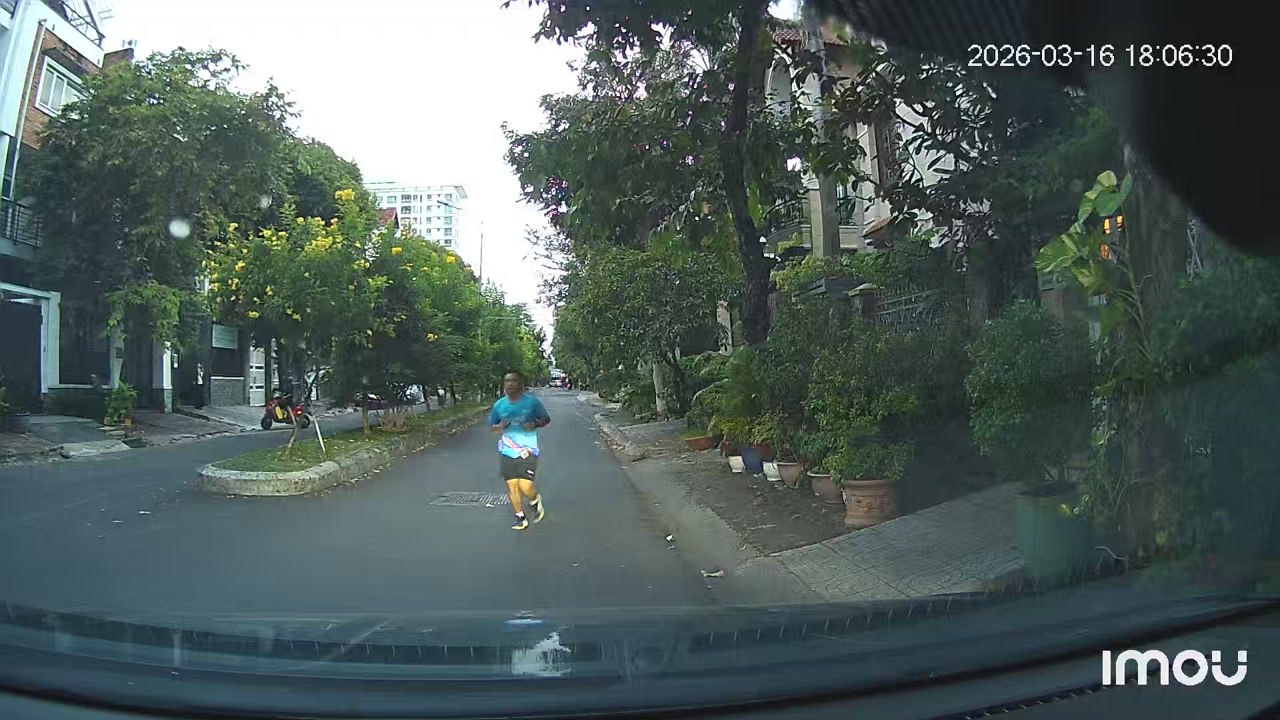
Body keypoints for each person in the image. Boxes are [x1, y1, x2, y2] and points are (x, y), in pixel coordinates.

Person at [489, 371, 551, 530]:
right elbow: (492, 427)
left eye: (514, 381)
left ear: (521, 384)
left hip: (528, 450)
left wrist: (535, 424)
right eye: (507, 381)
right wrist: (499, 427)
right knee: (512, 486)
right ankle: (520, 517)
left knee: (525, 487)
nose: (510, 384)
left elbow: (546, 419)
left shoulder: (532, 403)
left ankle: (534, 499)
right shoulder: (499, 405)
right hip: (507, 450)